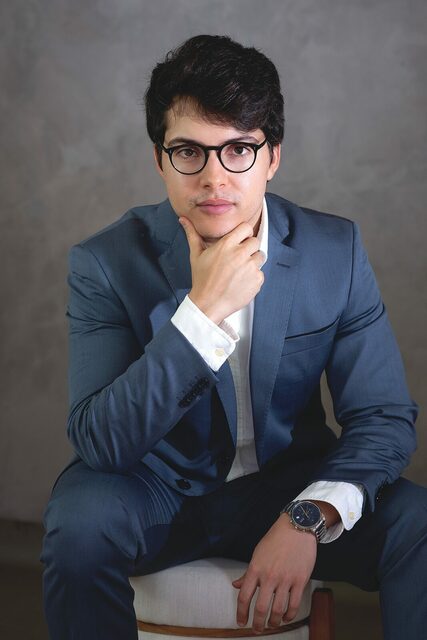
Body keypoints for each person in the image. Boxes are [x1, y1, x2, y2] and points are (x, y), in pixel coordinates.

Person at [40, 35, 426, 639]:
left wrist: (306, 517)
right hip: (154, 490)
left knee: (417, 522)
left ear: (272, 157)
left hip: (286, 487)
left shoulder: (336, 252)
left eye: (239, 149)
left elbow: (383, 417)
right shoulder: (106, 263)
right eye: (189, 151)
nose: (214, 178)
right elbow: (102, 442)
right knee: (78, 525)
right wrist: (202, 311)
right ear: (160, 160)